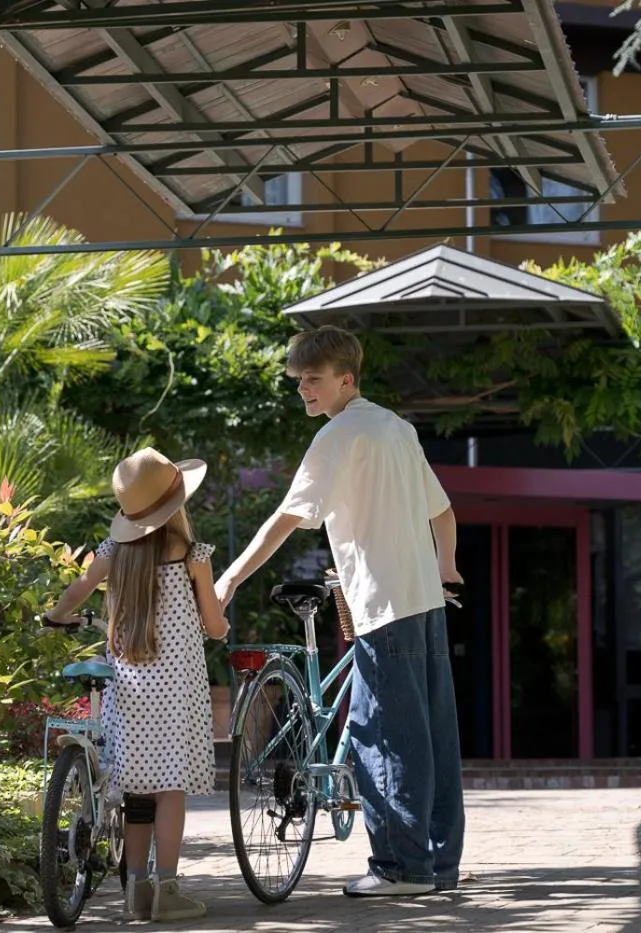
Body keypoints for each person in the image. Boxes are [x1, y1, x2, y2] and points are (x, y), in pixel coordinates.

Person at [214, 325, 466, 898]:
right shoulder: (397, 428)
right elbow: (443, 512)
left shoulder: (338, 435)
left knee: (385, 736)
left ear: (345, 379)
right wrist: (446, 569)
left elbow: (286, 516)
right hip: (425, 598)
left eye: (313, 380)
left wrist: (231, 576)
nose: (303, 390)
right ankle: (439, 864)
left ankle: (402, 870)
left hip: (381, 602)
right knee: (434, 736)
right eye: (298, 380)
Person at [45, 447, 230, 921]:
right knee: (171, 788)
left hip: (128, 689)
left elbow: (79, 590)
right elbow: (213, 625)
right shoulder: (193, 556)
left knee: (135, 789)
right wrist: (222, 625)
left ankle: (136, 893)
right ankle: (166, 889)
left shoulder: (114, 554)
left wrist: (58, 615)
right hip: (177, 690)